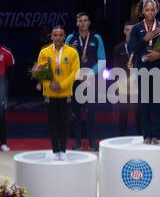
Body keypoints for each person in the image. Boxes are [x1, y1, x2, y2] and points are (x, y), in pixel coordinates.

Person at [127, 0, 160, 145]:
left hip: (158, 71)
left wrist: (159, 54)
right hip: (142, 70)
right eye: (147, 10)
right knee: (144, 103)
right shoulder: (136, 28)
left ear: (157, 10)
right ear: (142, 11)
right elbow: (131, 48)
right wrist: (145, 39)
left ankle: (157, 135)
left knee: (157, 104)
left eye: (152, 9)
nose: (150, 12)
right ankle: (146, 135)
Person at [37, 26, 79, 160]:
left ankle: (63, 151)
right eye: (55, 35)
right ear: (51, 37)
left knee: (65, 123)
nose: (58, 37)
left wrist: (62, 85)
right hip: (50, 93)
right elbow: (40, 71)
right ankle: (55, 151)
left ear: (64, 36)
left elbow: (75, 72)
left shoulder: (72, 52)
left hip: (65, 93)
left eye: (61, 35)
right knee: (53, 123)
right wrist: (50, 84)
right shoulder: (44, 52)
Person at [66, 12, 106, 151]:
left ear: (89, 23)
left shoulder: (96, 38)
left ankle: (92, 141)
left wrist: (90, 72)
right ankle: (77, 141)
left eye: (85, 20)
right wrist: (75, 74)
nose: (83, 23)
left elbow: (102, 60)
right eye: (80, 21)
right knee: (76, 112)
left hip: (92, 79)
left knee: (92, 111)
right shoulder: (71, 38)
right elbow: (66, 60)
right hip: (76, 80)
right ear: (77, 23)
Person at [112, 21, 141, 136]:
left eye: (132, 30)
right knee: (123, 114)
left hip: (137, 85)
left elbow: (142, 67)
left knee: (139, 114)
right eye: (127, 30)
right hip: (123, 86)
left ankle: (141, 138)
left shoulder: (140, 47)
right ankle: (121, 138)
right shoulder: (118, 48)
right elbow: (116, 67)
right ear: (124, 31)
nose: (130, 32)